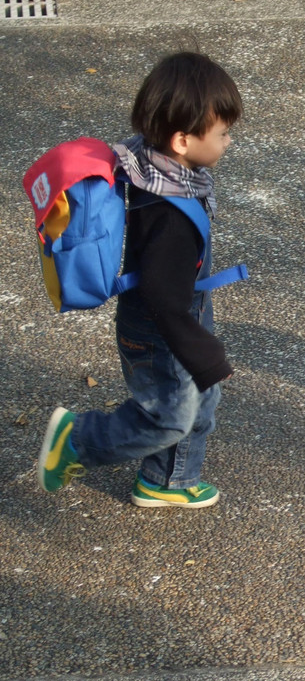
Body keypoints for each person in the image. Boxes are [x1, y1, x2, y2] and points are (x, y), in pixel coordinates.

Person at [37, 51, 243, 508]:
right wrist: (203, 352)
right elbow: (162, 296)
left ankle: (166, 481)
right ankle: (78, 439)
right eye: (223, 133)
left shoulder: (155, 167)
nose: (229, 142)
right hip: (159, 329)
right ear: (182, 140)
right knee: (166, 416)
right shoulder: (172, 215)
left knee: (199, 402)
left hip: (175, 314)